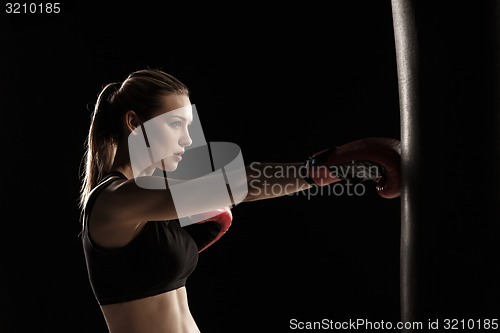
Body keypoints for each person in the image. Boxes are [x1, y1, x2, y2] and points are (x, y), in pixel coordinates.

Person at [79, 68, 401, 333]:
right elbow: (241, 183)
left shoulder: (151, 202)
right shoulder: (114, 201)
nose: (187, 139)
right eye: (176, 124)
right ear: (134, 123)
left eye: (189, 126)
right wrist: (328, 168)